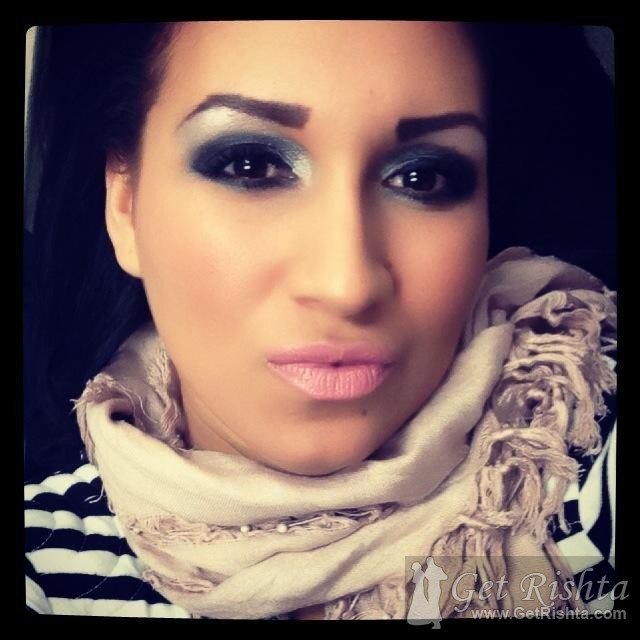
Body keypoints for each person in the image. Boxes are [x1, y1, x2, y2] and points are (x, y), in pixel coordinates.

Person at [24, 21, 617, 619]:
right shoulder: (42, 565)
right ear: (125, 205)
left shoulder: (572, 460)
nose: (347, 285)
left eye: (422, 177)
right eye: (251, 166)